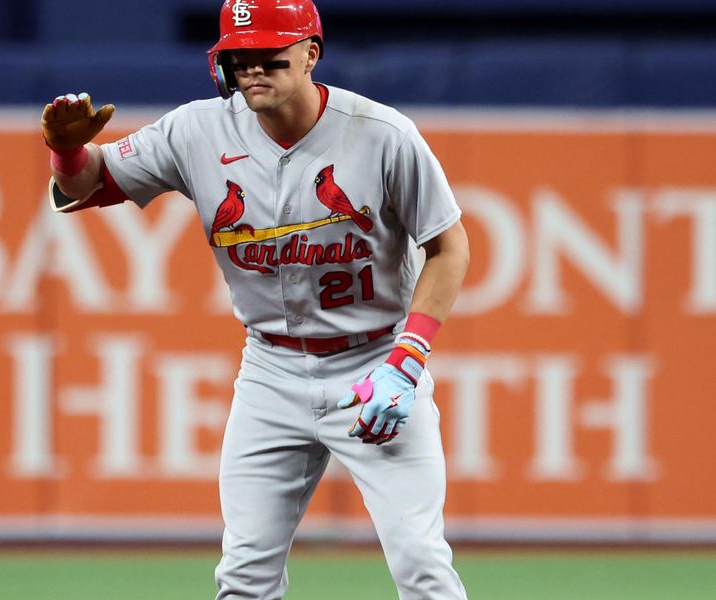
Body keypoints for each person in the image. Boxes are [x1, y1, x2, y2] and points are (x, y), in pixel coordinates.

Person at [41, 1, 470, 597]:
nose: (252, 71)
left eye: (270, 55)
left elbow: (449, 248)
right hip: (271, 368)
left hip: (375, 363)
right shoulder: (198, 129)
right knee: (243, 576)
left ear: (311, 53)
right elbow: (90, 185)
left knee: (422, 566)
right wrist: (66, 153)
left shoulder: (382, 134)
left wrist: (408, 359)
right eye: (237, 58)